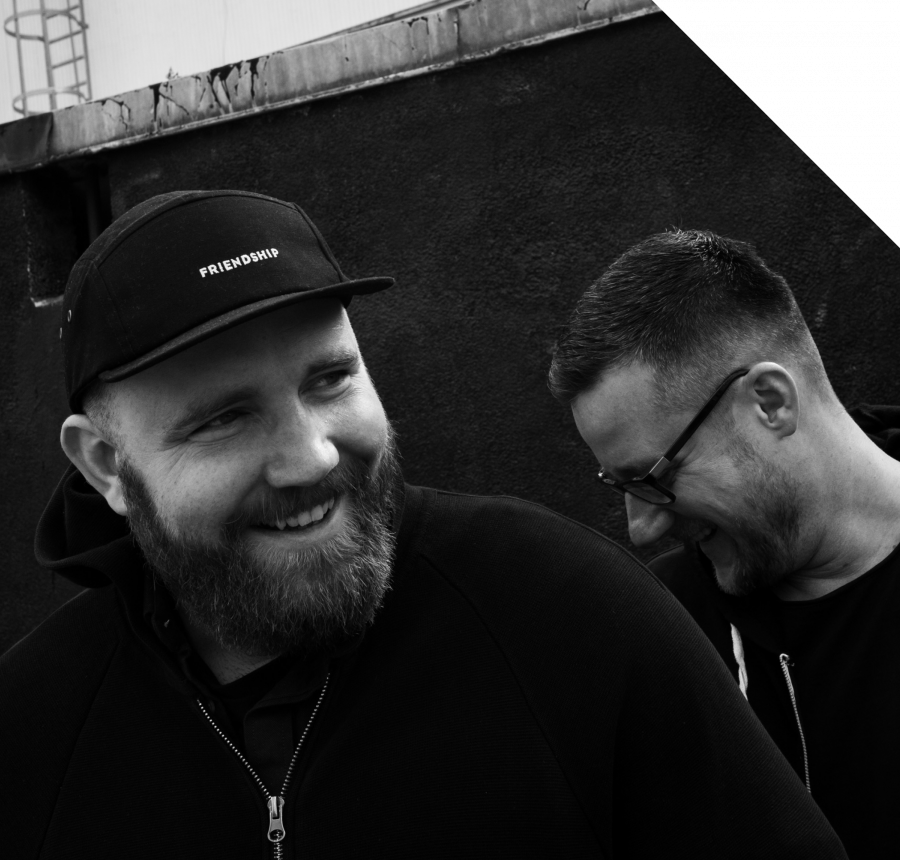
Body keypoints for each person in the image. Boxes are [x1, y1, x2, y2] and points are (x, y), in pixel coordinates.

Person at [1, 194, 845, 860]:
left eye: (331, 379)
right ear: (105, 465)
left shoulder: (570, 616)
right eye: (225, 418)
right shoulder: (34, 731)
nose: (311, 457)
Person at [549, 228, 900, 860]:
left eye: (653, 478)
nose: (641, 528)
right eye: (618, 484)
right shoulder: (660, 623)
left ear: (770, 402)